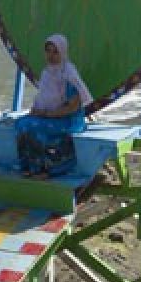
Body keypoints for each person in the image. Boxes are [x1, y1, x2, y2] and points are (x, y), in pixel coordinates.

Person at [15, 34, 93, 178]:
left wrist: (45, 114)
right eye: (48, 51)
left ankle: (45, 169)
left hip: (68, 120)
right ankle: (29, 166)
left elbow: (72, 107)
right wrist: (37, 111)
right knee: (21, 123)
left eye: (55, 51)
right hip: (50, 117)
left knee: (31, 127)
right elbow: (44, 98)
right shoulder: (48, 72)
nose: (51, 55)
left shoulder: (69, 74)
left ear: (62, 52)